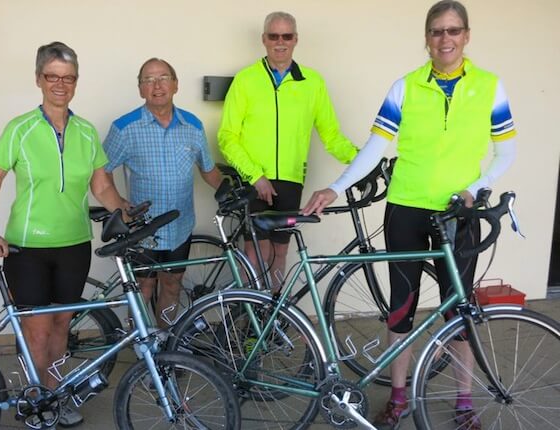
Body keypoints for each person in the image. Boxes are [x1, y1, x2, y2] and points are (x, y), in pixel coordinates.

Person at [303, 1, 516, 429]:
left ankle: (463, 402)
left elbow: (505, 151)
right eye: (437, 31)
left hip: (459, 214)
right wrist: (336, 187)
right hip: (406, 210)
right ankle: (399, 396)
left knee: (459, 310)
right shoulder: (405, 87)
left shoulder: (490, 87)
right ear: (427, 38)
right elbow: (375, 148)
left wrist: (474, 190)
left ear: (467, 36)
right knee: (401, 308)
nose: (445, 39)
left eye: (453, 30)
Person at [0, 41, 127, 427]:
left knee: (63, 325)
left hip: (75, 245)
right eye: (52, 77)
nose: (61, 84)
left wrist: (126, 211)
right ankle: (35, 399)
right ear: (39, 79)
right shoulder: (20, 129)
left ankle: (56, 395)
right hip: (27, 247)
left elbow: (102, 187)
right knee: (39, 328)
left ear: (76, 82)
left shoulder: (85, 131)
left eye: (69, 78)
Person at [218, 11, 358, 291]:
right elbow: (227, 137)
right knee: (255, 253)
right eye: (273, 36)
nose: (279, 42)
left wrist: (361, 159)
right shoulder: (246, 79)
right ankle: (251, 320)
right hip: (253, 180)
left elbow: (331, 135)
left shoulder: (313, 82)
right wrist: (255, 176)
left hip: (290, 180)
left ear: (296, 40)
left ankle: (275, 311)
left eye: (286, 36)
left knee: (280, 253)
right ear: (264, 39)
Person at [103, 58, 222, 328]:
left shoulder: (192, 125)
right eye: (148, 80)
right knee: (143, 288)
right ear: (140, 89)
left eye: (163, 78)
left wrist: (230, 191)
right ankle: (142, 349)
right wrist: (119, 205)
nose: (156, 85)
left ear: (175, 85)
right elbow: (101, 171)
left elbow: (208, 170)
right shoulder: (125, 128)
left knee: (172, 283)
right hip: (143, 228)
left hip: (180, 225)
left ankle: (165, 342)